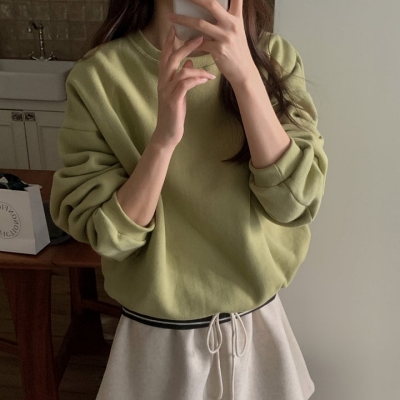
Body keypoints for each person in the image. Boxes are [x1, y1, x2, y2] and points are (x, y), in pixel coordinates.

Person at [49, 0, 328, 399]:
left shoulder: (273, 57)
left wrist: (247, 79)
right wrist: (163, 140)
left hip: (257, 331)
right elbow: (108, 236)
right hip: (158, 340)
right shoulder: (99, 77)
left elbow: (294, 204)